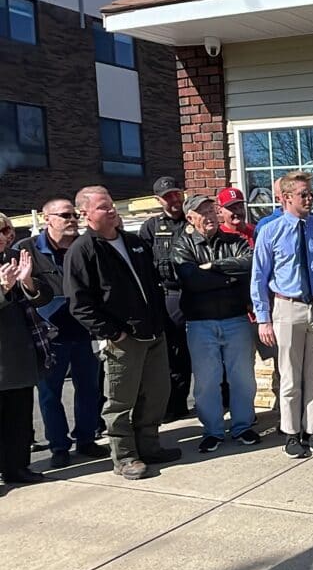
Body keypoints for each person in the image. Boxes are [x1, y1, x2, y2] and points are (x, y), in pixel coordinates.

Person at [65, 186, 183, 480]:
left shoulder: (133, 242)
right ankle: (125, 457)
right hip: (123, 340)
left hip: (154, 332)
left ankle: (150, 447)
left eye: (111, 205)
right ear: (86, 214)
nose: (112, 210)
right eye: (104, 207)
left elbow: (152, 284)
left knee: (156, 394)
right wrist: (114, 334)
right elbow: (80, 304)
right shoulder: (83, 251)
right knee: (120, 402)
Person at [251, 171, 313, 458]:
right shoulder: (270, 231)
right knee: (291, 375)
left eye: (311, 194)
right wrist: (263, 318)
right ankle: (292, 433)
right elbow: (259, 277)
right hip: (286, 306)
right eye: (303, 194)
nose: (309, 199)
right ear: (285, 198)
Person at [15, 199, 109, 469]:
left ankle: (87, 439)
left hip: (84, 332)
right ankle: (59, 446)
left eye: (75, 215)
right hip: (49, 337)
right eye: (65, 215)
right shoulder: (27, 250)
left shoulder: (85, 246)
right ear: (48, 219)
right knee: (49, 394)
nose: (72, 220)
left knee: (89, 389)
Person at [173, 195, 259, 453]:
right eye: (202, 212)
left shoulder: (234, 242)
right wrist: (228, 278)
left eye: (212, 210)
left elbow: (250, 263)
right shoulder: (182, 246)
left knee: (242, 377)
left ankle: (242, 426)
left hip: (235, 319)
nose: (210, 216)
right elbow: (191, 280)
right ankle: (213, 431)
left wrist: (213, 266)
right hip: (201, 323)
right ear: (190, 218)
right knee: (207, 381)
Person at [1, 219, 54, 488]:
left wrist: (28, 282)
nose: (1, 237)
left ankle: (17, 467)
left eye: (3, 231)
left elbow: (44, 295)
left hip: (19, 351)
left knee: (19, 416)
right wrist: (3, 290)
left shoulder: (18, 258)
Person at [139, 176, 192, 422]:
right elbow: (144, 267)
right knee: (174, 354)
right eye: (168, 196)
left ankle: (212, 401)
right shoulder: (150, 227)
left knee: (202, 351)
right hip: (169, 295)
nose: (174, 200)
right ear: (158, 200)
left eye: (176, 194)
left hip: (197, 294)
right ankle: (175, 405)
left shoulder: (193, 219)